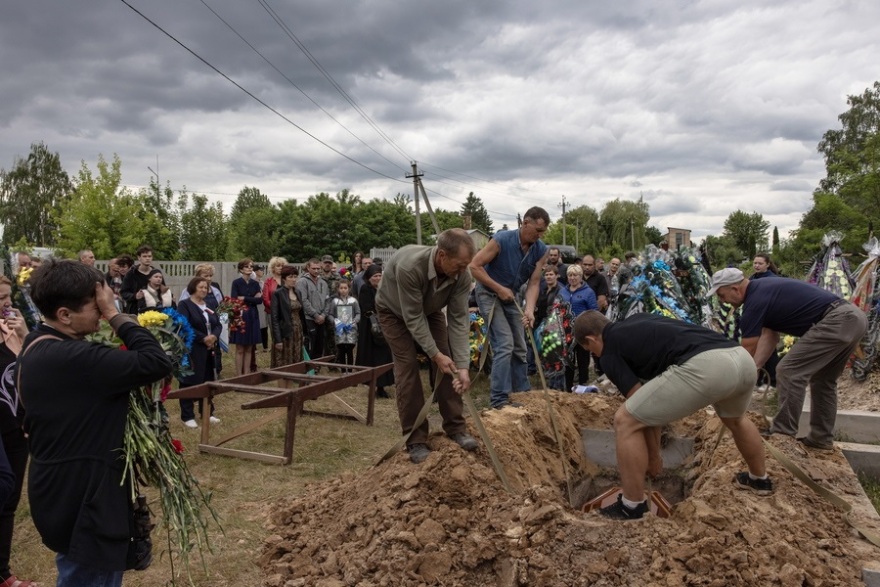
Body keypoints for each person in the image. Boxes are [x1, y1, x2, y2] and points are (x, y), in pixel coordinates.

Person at [17, 259, 171, 585]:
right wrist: (117, 315)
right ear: (64, 315)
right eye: (95, 305)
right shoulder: (71, 359)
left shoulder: (38, 343)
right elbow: (156, 361)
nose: (102, 311)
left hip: (63, 493)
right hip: (84, 504)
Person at [573, 310, 773, 520]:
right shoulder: (637, 323)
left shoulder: (610, 351)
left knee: (624, 420)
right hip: (740, 358)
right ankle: (759, 479)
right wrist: (653, 455)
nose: (595, 355)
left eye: (591, 350)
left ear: (591, 339)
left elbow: (637, 408)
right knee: (736, 419)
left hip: (706, 367)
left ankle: (631, 506)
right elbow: (650, 408)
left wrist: (653, 458)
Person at [709, 267, 868, 450]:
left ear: (735, 289)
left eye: (722, 295)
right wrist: (754, 368)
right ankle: (820, 439)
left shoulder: (754, 301)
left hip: (837, 320)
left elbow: (748, 347)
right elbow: (770, 337)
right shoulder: (763, 290)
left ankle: (783, 433)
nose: (723, 302)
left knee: (789, 370)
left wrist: (736, 380)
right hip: (853, 319)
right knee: (823, 380)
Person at [375, 229, 478, 463]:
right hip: (394, 312)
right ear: (442, 255)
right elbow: (412, 318)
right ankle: (415, 439)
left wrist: (462, 365)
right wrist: (434, 354)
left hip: (430, 311)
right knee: (408, 367)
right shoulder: (410, 267)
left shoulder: (462, 274)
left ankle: (456, 428)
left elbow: (459, 319)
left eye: (466, 265)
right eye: (460, 265)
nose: (464, 271)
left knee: (449, 364)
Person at [469, 206, 550, 409]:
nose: (539, 236)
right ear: (525, 223)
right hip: (488, 293)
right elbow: (474, 266)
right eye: (537, 230)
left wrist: (529, 309)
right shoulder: (502, 239)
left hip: (511, 296)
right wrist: (498, 288)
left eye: (543, 232)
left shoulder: (541, 250)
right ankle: (499, 400)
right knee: (504, 343)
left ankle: (521, 394)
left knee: (520, 346)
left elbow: (533, 283)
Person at [0, 277, 33, 587]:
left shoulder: (13, 334)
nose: (6, 304)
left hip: (16, 426)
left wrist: (23, 336)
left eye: (8, 297)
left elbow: (33, 373)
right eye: (0, 298)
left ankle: (3, 571)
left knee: (9, 500)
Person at [177, 277, 222, 429]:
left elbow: (217, 323)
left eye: (206, 287)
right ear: (193, 288)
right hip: (193, 348)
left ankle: (208, 412)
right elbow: (184, 325)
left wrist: (214, 336)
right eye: (201, 287)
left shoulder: (208, 305)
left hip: (209, 349)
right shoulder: (185, 305)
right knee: (189, 381)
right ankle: (187, 415)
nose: (204, 290)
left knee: (207, 380)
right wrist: (204, 338)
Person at [356, 264, 394, 398]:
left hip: (384, 326)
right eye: (375, 276)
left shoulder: (385, 288)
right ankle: (373, 385)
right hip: (370, 327)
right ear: (369, 277)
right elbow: (366, 307)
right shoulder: (365, 289)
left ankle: (382, 387)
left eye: (379, 275)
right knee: (371, 358)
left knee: (383, 357)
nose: (378, 278)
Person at [560, 264, 599, 391]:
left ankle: (583, 385)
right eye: (570, 275)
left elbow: (593, 311)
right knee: (568, 360)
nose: (572, 278)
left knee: (583, 360)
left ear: (580, 276)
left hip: (582, 331)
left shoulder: (588, 292)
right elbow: (557, 307)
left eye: (575, 275)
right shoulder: (563, 291)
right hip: (566, 332)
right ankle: (568, 387)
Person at [230, 258, 262, 375]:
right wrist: (252, 298)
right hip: (241, 315)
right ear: (241, 269)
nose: (249, 268)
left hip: (253, 315)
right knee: (240, 347)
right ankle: (239, 374)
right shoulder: (236, 283)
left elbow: (259, 300)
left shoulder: (255, 284)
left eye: (251, 266)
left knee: (249, 347)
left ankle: (247, 372)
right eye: (247, 266)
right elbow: (234, 299)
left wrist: (245, 298)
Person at [270, 265, 306, 366]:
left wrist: (304, 333)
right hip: (285, 332)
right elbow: (275, 318)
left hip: (298, 331)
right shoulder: (278, 293)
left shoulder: (298, 292)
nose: (294, 279)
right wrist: (278, 339)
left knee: (296, 362)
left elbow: (301, 314)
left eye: (295, 276)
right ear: (284, 278)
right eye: (290, 277)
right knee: (283, 363)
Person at [297, 258, 329, 358]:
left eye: (318, 268)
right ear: (308, 268)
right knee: (310, 343)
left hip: (322, 318)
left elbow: (328, 300)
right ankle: (308, 366)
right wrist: (315, 315)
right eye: (314, 268)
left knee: (320, 343)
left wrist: (323, 315)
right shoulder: (302, 282)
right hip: (309, 318)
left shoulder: (323, 282)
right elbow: (304, 300)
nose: (316, 270)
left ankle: (317, 365)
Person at [326, 280, 360, 370]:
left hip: (351, 329)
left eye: (345, 288)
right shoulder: (335, 301)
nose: (343, 290)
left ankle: (349, 369)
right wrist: (335, 322)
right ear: (338, 289)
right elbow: (330, 314)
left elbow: (358, 313)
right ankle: (343, 370)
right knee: (341, 350)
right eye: (341, 288)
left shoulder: (353, 301)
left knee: (349, 350)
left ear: (349, 289)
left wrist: (354, 321)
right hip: (339, 329)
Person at [120, 245, 163, 314]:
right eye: (144, 256)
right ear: (139, 258)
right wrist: (135, 296)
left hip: (154, 311)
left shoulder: (156, 274)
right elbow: (123, 292)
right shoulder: (131, 274)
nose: (147, 258)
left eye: (149, 256)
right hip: (135, 311)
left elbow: (163, 290)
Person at [262, 257, 289, 367]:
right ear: (273, 268)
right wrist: (276, 309)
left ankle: (287, 360)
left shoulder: (287, 280)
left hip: (287, 314)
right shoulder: (268, 282)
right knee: (276, 337)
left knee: (286, 337)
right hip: (272, 313)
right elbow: (265, 298)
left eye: (282, 266)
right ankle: (277, 362)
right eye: (278, 266)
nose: (280, 268)